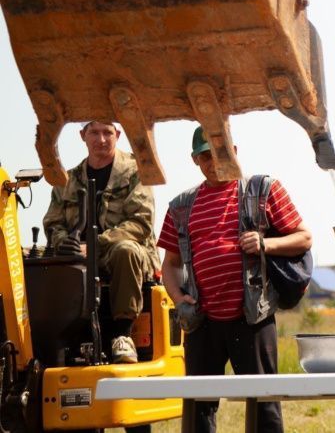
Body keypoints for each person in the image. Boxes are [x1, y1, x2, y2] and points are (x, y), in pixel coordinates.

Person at [158, 127, 312, 433]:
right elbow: (171, 264)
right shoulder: (180, 206)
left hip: (252, 316)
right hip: (202, 320)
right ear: (195, 161)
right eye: (205, 156)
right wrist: (178, 299)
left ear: (234, 151)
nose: (213, 161)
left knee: (264, 406)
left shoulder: (264, 190)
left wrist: (265, 244)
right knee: (198, 409)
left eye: (219, 152)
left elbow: (304, 237)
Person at [42, 121, 159, 364]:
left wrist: (95, 244)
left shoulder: (136, 171)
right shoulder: (68, 179)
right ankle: (58, 341)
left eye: (107, 132)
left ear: (117, 135)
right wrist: (67, 243)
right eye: (94, 132)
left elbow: (140, 224)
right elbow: (53, 223)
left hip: (123, 255)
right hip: (80, 257)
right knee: (39, 262)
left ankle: (123, 335)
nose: (101, 139)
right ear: (83, 135)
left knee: (125, 250)